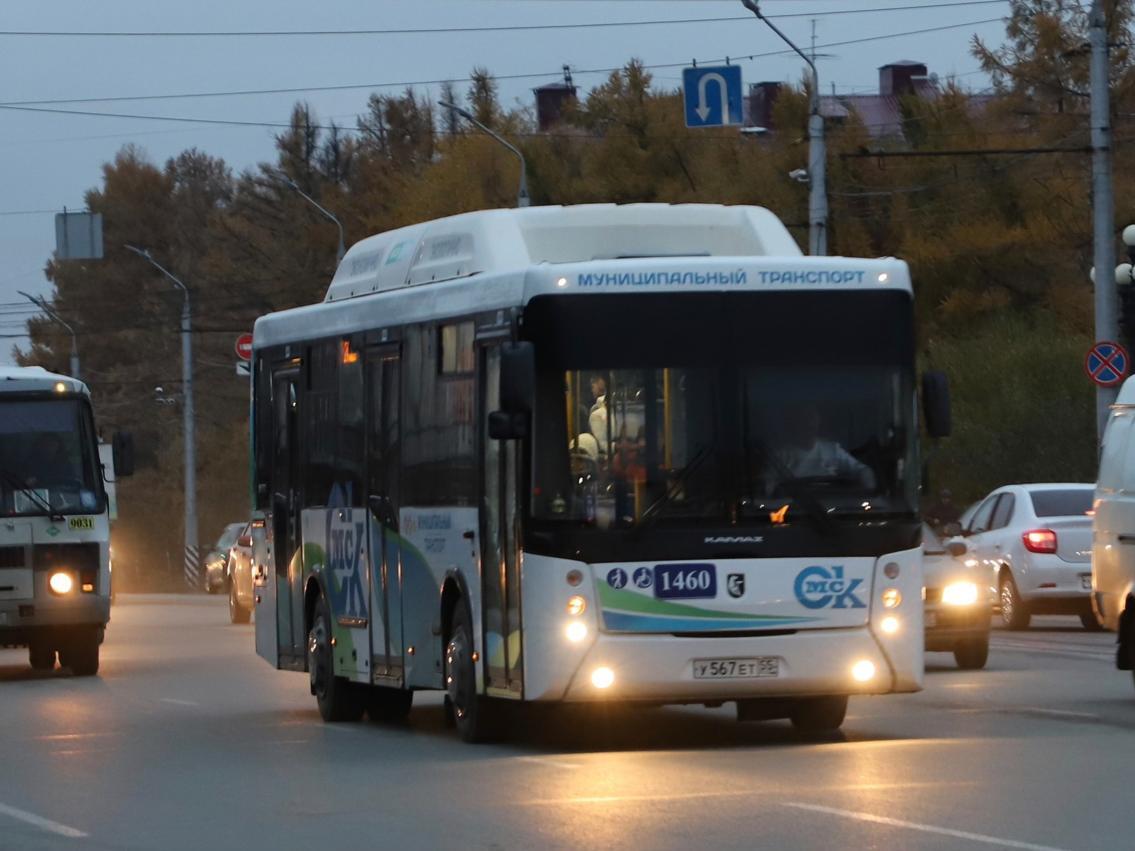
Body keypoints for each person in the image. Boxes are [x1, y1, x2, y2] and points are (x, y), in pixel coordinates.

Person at [763, 403, 875, 494]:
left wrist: (867, 483)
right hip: (793, 511)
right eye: (803, 419)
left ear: (818, 422)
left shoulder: (833, 450)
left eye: (811, 418)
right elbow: (768, 485)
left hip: (832, 509)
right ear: (795, 424)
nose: (808, 424)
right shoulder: (781, 456)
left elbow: (862, 470)